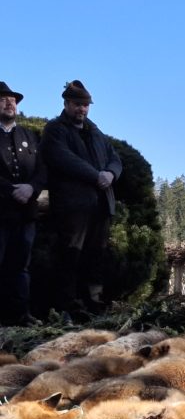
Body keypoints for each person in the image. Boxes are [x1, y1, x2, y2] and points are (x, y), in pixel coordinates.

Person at [40, 79, 121, 317]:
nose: (82, 109)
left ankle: (94, 302)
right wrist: (96, 176)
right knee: (70, 256)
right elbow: (63, 158)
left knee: (96, 256)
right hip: (73, 207)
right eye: (77, 104)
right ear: (66, 104)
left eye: (85, 105)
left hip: (100, 205)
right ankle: (68, 306)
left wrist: (111, 173)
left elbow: (114, 157)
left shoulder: (95, 132)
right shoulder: (55, 130)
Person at [0, 82, 46, 325]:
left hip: (26, 213)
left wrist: (32, 187)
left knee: (22, 266)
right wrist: (9, 191)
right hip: (1, 211)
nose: (10, 103)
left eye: (13, 100)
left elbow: (42, 169)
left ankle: (21, 315)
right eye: (3, 99)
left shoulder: (30, 136)